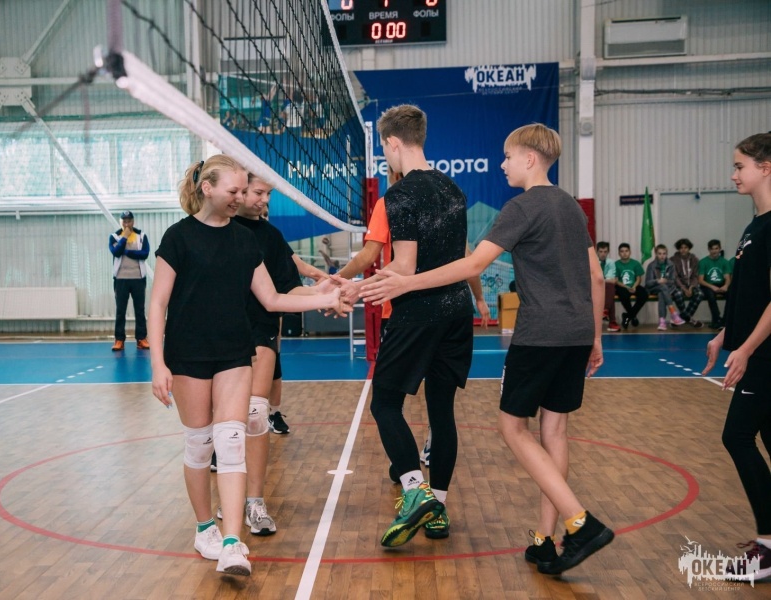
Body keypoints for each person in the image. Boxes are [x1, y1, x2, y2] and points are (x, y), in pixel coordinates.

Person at [361, 123, 614, 575]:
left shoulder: (521, 207)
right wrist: (595, 336)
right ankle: (544, 540)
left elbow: (473, 263)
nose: (502, 164)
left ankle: (580, 522)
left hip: (540, 334)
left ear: (530, 159)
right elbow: (596, 277)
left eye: (508, 157)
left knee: (513, 430)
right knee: (554, 434)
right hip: (577, 333)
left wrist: (405, 283)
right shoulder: (573, 207)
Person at [146, 155, 344, 576]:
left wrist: (325, 297)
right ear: (207, 188)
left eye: (242, 191)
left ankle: (233, 543)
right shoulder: (178, 237)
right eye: (233, 191)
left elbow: (272, 299)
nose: (240, 198)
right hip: (188, 355)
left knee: (232, 441)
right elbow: (158, 303)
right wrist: (158, 364)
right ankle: (205, 529)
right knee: (200, 445)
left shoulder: (245, 240)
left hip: (236, 353)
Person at [349, 104, 477, 547]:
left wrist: (353, 290)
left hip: (418, 313)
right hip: (457, 310)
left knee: (384, 404)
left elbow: (403, 268)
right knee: (442, 413)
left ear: (392, 142)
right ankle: (437, 508)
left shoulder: (400, 195)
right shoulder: (453, 189)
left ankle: (414, 490)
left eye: (384, 149)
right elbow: (459, 257)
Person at [227, 172, 342, 535]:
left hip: (260, 331)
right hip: (219, 335)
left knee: (256, 414)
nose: (265, 200)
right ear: (238, 190)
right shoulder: (213, 230)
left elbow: (289, 288)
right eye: (258, 192)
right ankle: (229, 499)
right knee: (226, 426)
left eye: (268, 194)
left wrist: (327, 294)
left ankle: (254, 503)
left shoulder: (270, 236)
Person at [702, 132, 771, 582]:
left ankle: (767, 547)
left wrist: (745, 350)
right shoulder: (755, 225)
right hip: (754, 349)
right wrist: (726, 333)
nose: (733, 175)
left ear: (766, 168)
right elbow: (751, 294)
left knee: (737, 436)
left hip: (765, 356)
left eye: (740, 166)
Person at [109, 210, 150, 351]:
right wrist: (124, 237)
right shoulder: (114, 237)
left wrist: (127, 252)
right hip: (121, 279)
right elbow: (116, 252)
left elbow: (144, 254)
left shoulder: (141, 236)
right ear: (120, 222)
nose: (127, 224)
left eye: (129, 221)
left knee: (140, 310)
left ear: (133, 221)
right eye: (124, 221)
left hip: (138, 278)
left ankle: (141, 338)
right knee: (120, 310)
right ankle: (119, 339)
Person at [644, 244, 685, 330]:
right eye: (659, 254)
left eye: (664, 253)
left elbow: (672, 281)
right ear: (656, 254)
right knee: (662, 287)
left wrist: (665, 281)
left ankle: (662, 322)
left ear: (666, 254)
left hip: (666, 289)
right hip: (654, 288)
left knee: (661, 293)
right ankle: (673, 313)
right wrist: (657, 281)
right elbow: (648, 283)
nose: (662, 256)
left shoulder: (671, 264)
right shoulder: (651, 265)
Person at [669, 238, 704, 328]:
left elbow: (695, 276)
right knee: (678, 294)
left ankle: (680, 318)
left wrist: (691, 287)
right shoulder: (672, 260)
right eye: (681, 248)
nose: (683, 250)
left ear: (689, 248)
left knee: (700, 294)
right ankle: (690, 320)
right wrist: (684, 289)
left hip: (691, 285)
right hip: (678, 285)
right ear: (678, 249)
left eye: (685, 247)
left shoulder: (694, 259)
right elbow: (675, 277)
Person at [698, 239, 732, 330]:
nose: (714, 251)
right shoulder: (703, 262)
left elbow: (728, 278)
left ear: (720, 249)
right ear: (709, 250)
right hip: (708, 285)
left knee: (731, 294)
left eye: (716, 248)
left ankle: (725, 320)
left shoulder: (725, 262)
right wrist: (712, 287)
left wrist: (726, 286)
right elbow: (701, 280)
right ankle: (716, 320)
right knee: (711, 295)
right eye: (712, 249)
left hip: (721, 284)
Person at [614, 243, 648, 329]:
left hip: (634, 285)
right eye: (622, 251)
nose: (624, 253)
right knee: (624, 295)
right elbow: (616, 280)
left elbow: (639, 278)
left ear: (630, 252)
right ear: (619, 253)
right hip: (622, 286)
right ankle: (633, 316)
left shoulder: (635, 263)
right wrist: (627, 287)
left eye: (626, 251)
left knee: (644, 294)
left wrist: (634, 286)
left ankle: (628, 316)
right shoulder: (616, 264)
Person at [595, 242, 621, 332]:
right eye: (601, 251)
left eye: (605, 252)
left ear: (608, 252)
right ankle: (612, 322)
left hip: (606, 287)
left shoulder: (611, 262)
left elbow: (611, 278)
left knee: (610, 288)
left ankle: (605, 311)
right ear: (597, 252)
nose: (603, 254)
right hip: (594, 286)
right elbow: (593, 278)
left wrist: (605, 280)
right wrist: (606, 280)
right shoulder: (592, 262)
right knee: (610, 290)